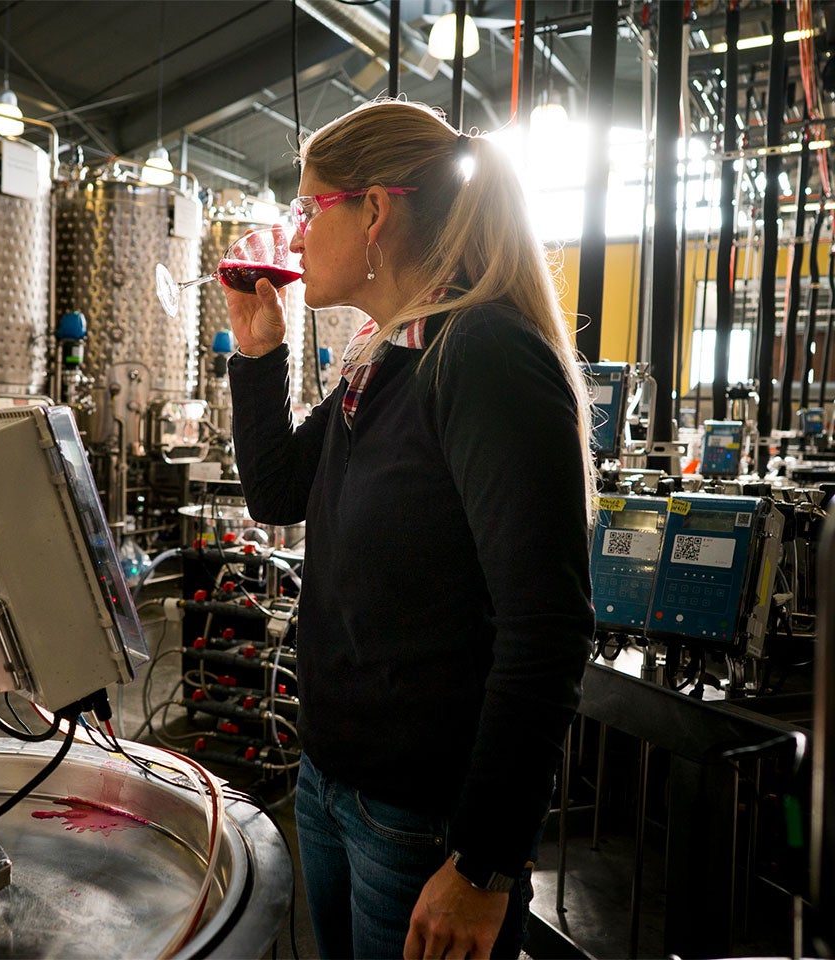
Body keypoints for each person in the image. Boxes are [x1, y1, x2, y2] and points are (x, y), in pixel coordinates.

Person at [223, 98, 596, 960]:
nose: (296, 234)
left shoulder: (482, 355)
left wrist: (484, 863)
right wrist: (257, 351)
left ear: (376, 213)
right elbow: (280, 491)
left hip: (422, 823)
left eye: (310, 209)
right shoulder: (383, 354)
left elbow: (547, 629)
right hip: (331, 782)